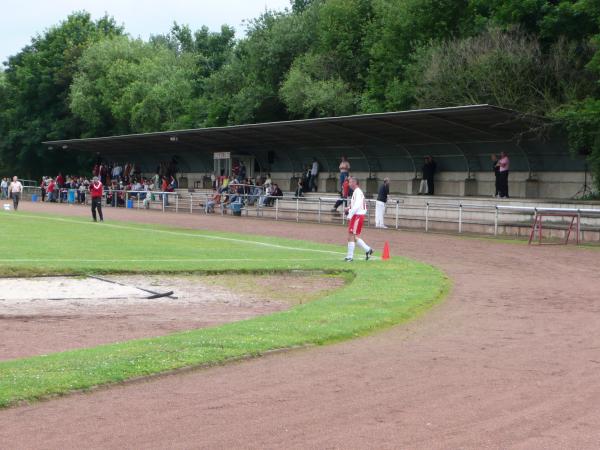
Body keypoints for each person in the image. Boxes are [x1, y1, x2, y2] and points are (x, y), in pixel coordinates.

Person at [344, 177, 373, 262]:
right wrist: (349, 208)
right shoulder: (357, 192)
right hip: (357, 216)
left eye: (350, 182)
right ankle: (368, 250)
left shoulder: (358, 192)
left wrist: (350, 214)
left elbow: (357, 206)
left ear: (354, 183)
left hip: (357, 216)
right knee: (354, 236)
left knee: (351, 235)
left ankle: (350, 257)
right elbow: (356, 204)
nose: (349, 184)